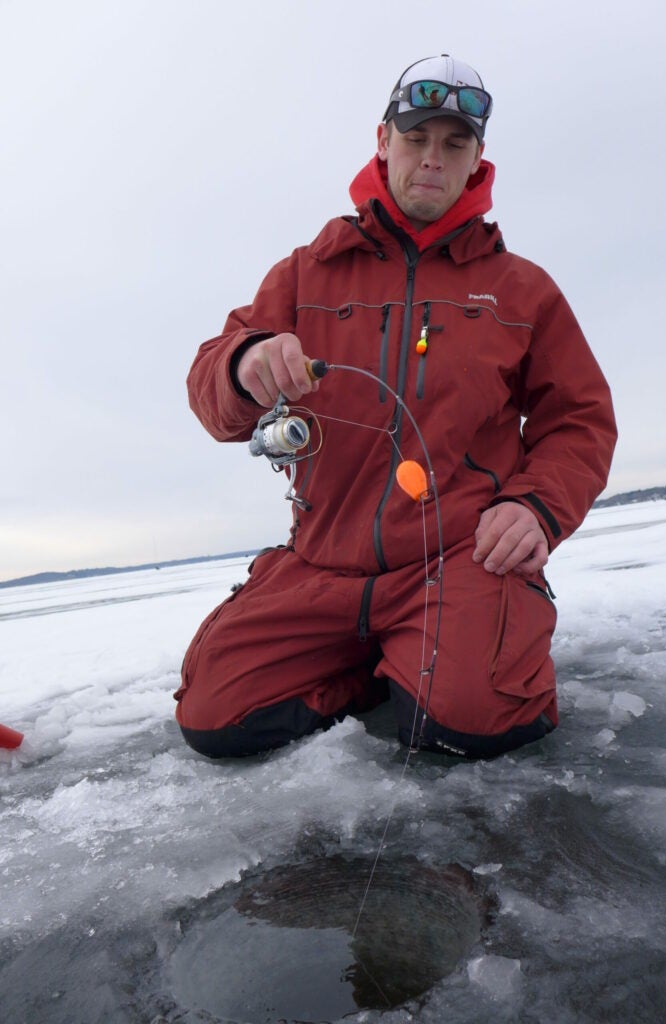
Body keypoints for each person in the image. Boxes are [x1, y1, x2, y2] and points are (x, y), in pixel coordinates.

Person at [174, 54, 617, 759]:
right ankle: (376, 666)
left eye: (454, 144)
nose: (432, 160)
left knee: (472, 722)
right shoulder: (303, 273)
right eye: (416, 139)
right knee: (215, 719)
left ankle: (451, 652)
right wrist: (242, 363)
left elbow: (581, 418)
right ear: (383, 141)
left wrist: (536, 506)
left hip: (458, 559)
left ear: (477, 161)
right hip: (321, 563)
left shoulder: (523, 289)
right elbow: (210, 390)